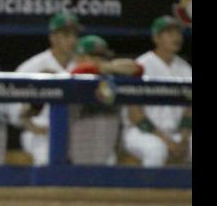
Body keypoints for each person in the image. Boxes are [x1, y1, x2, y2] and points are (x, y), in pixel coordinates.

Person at [120, 15, 191, 167]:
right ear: (156, 38)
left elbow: (189, 110)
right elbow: (134, 114)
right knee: (156, 150)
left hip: (177, 132)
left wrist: (184, 139)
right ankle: (147, 191)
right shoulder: (141, 66)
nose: (176, 37)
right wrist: (167, 141)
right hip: (142, 131)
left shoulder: (186, 69)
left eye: (178, 33)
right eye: (169, 33)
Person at [14, 12, 81, 165]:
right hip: (40, 134)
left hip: (75, 133)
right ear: (53, 37)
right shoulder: (33, 66)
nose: (72, 40)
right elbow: (13, 105)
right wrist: (31, 125)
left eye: (75, 35)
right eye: (66, 34)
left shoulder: (81, 65)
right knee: (46, 159)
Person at [67, 35, 143, 165]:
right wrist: (107, 67)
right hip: (79, 131)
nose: (99, 60)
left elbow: (138, 69)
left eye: (101, 57)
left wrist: (106, 67)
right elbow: (80, 70)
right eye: (93, 56)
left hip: (106, 133)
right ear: (79, 57)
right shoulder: (71, 70)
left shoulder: (110, 73)